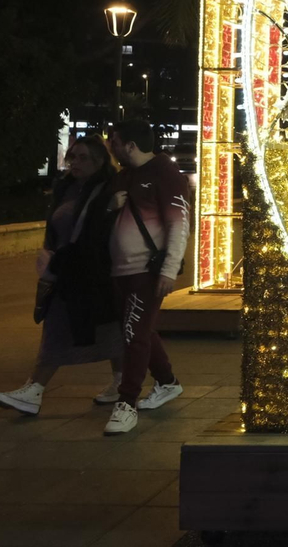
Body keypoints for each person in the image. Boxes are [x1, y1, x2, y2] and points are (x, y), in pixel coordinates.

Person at [0, 136, 124, 415]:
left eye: (83, 157)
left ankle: (35, 389)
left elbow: (104, 233)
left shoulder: (106, 190)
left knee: (92, 329)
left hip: (91, 273)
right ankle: (121, 381)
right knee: (95, 330)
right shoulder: (66, 188)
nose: (75, 162)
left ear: (99, 161)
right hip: (66, 269)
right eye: (72, 157)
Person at [101, 119, 190, 436]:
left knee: (133, 335)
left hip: (145, 271)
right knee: (140, 329)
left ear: (130, 145)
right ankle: (167, 382)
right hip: (122, 269)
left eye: (114, 141)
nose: (110, 146)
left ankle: (126, 404)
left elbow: (179, 223)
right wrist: (112, 206)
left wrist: (169, 269)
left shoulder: (163, 173)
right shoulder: (126, 175)